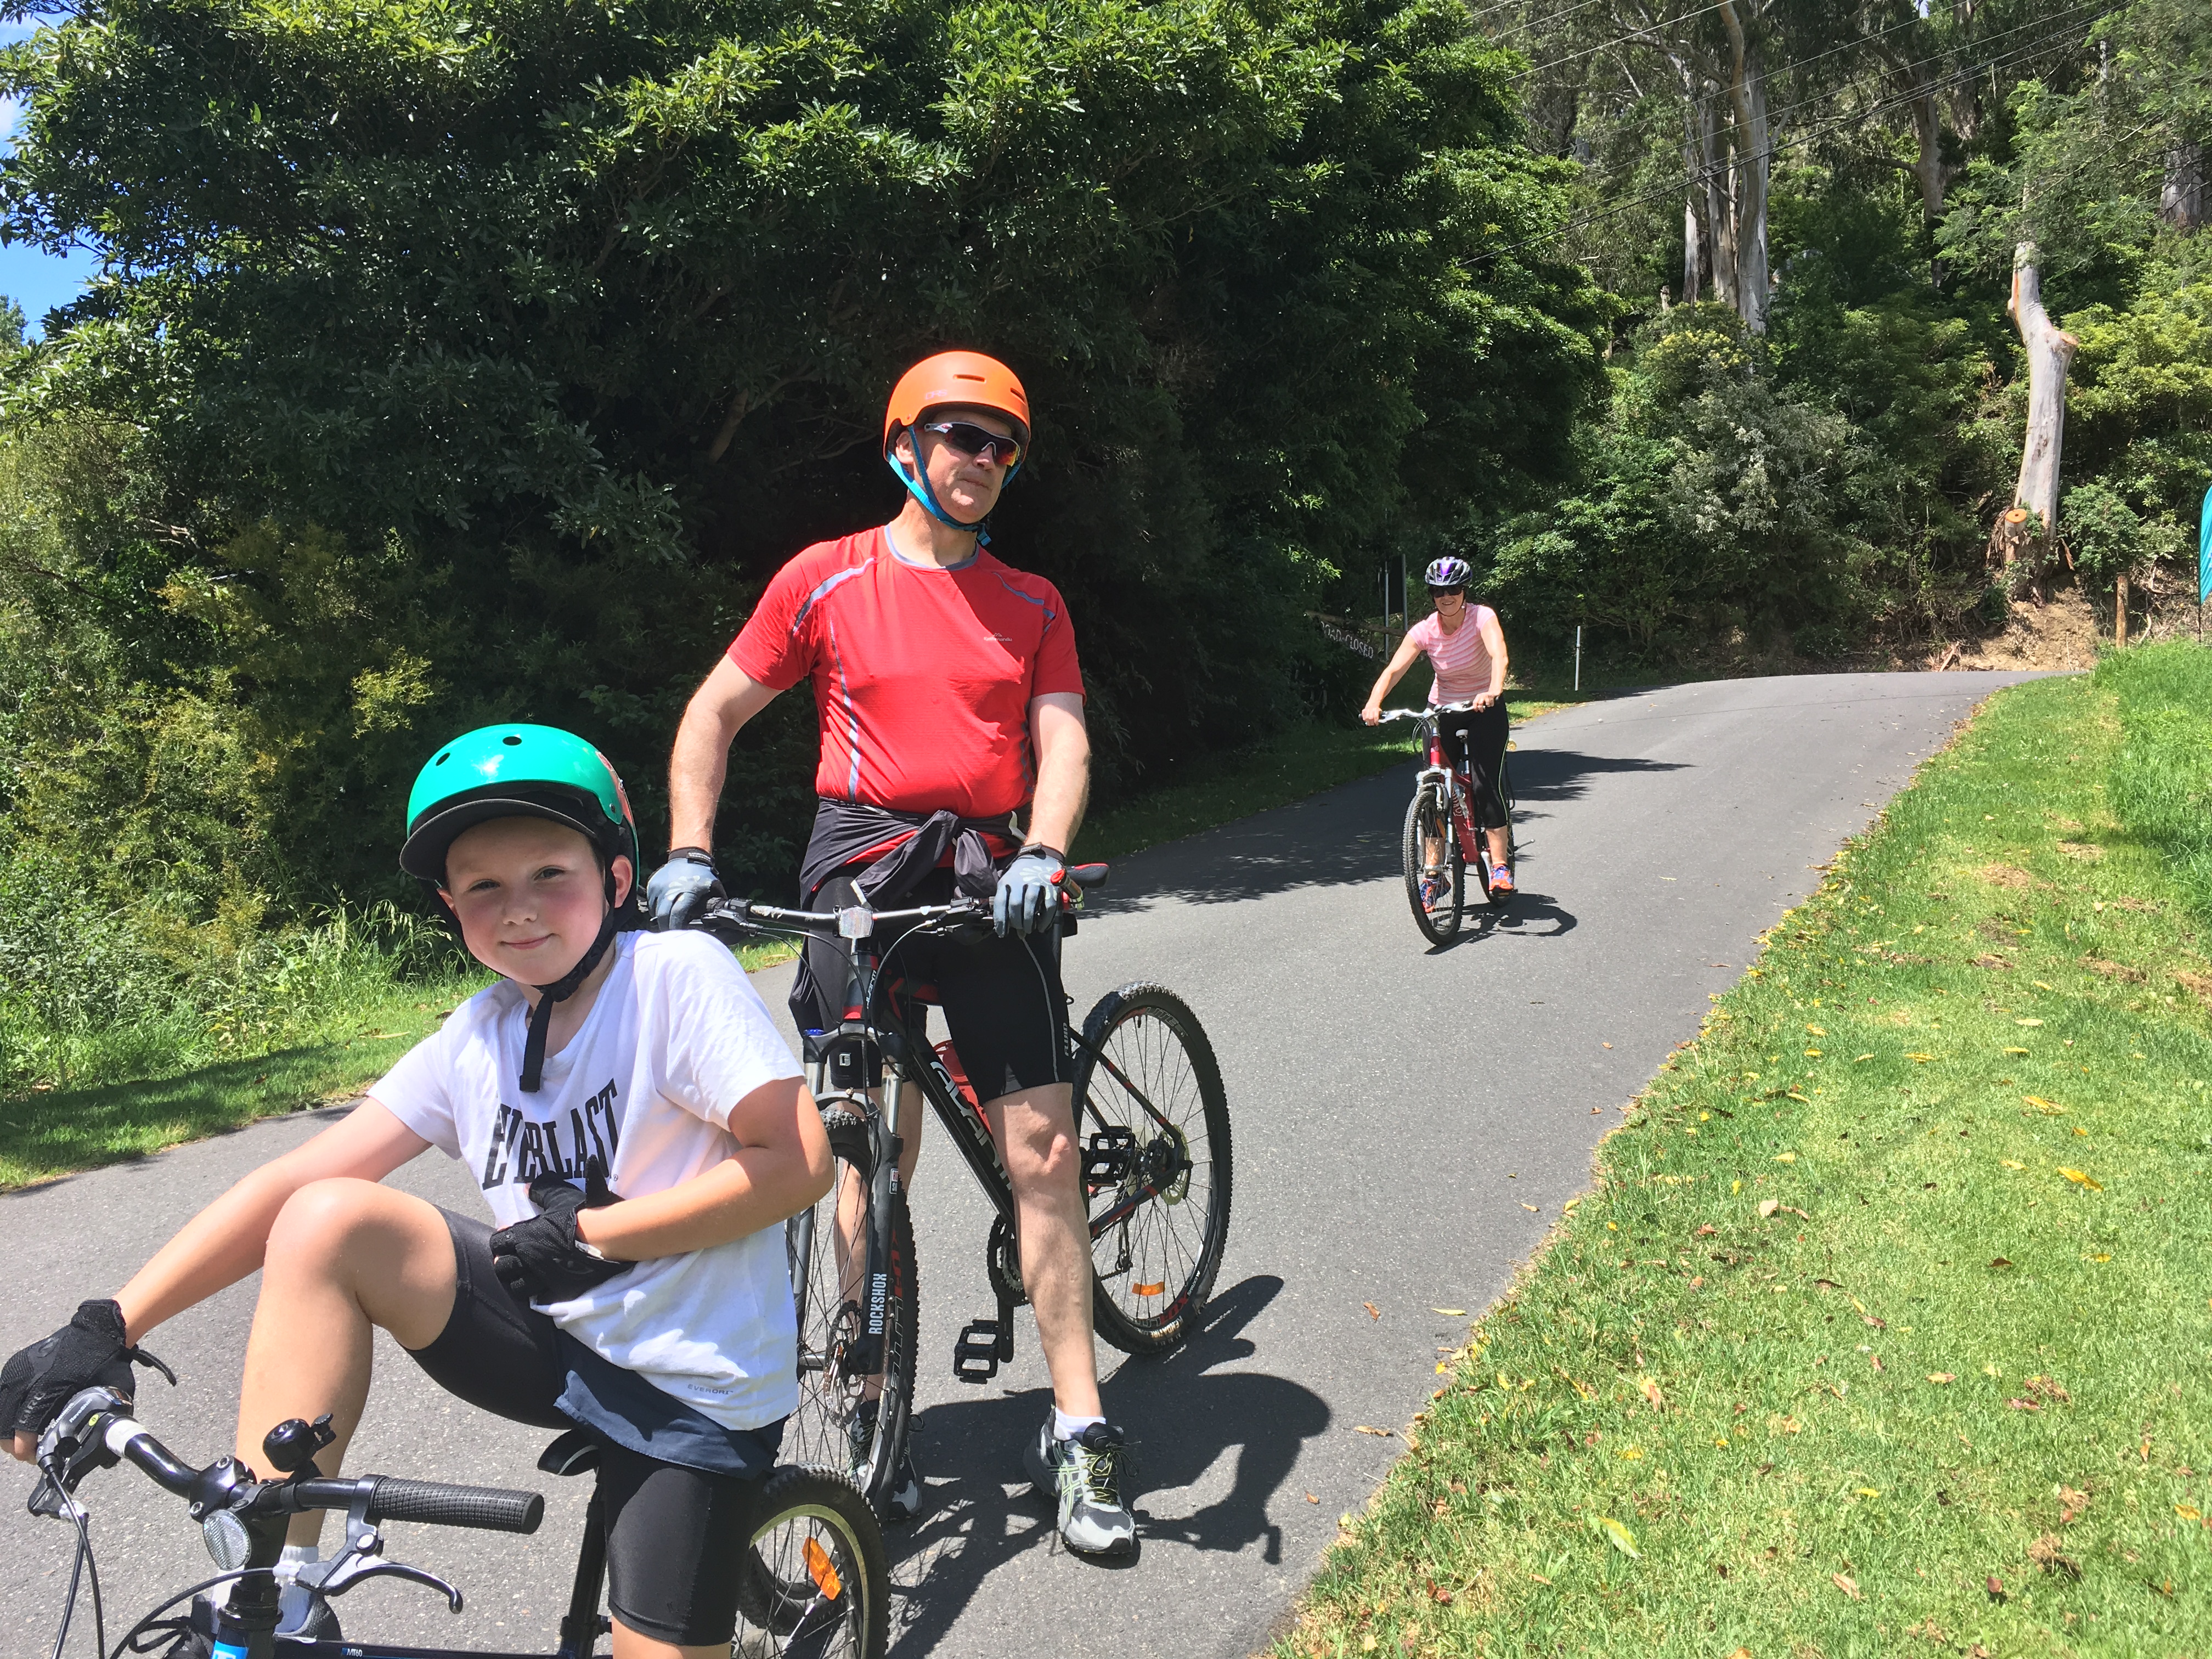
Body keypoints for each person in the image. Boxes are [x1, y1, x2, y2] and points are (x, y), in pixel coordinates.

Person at [1, 725, 832, 1659]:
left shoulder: (674, 977)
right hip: (557, 1340)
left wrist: (599, 1232)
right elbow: (294, 1179)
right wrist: (112, 1324)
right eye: (483, 886)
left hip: (690, 1383)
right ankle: (273, 1584)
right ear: (449, 903)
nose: (519, 909)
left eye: (549, 873)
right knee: (328, 1215)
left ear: (616, 876)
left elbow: (798, 1160)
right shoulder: (476, 1034)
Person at [647, 349, 1135, 1557]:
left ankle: (1080, 1425)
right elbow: (713, 713)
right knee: (866, 1146)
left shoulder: (1033, 601)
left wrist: (1043, 848)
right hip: (856, 865)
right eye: (962, 436)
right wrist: (692, 850)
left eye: (1003, 446)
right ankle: (874, 1415)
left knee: (1043, 1148)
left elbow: (1063, 742)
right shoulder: (825, 577)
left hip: (989, 871)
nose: (984, 460)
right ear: (905, 445)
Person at [1361, 556, 1515, 896]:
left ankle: (1500, 866)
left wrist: (1493, 690)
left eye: (1453, 590)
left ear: (1464, 591)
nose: (1446, 597)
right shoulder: (1425, 630)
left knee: (1484, 783)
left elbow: (1499, 655)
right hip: (1444, 709)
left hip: (1484, 707)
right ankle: (1435, 874)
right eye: (1438, 591)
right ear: (1431, 595)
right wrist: (1374, 702)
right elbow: (1394, 670)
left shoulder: (1482, 617)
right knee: (1433, 785)